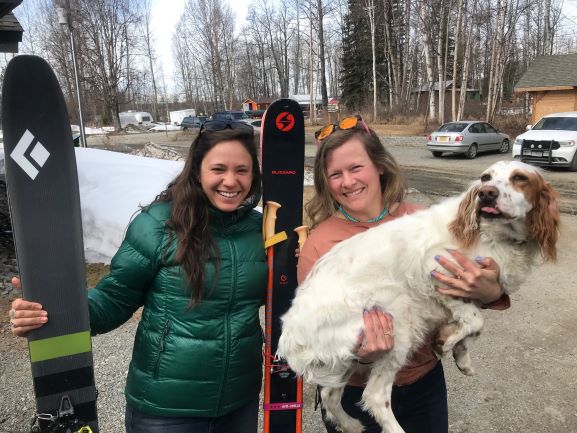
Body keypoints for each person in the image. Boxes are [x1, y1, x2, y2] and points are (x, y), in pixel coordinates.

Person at [8, 121, 267, 433]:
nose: (231, 180)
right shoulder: (158, 225)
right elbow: (114, 298)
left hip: (239, 404)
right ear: (197, 171)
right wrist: (55, 306)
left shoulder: (263, 231)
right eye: (219, 169)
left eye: (242, 170)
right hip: (166, 409)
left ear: (254, 175)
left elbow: (286, 299)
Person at [298, 115, 510, 433]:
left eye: (356, 168)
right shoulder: (320, 245)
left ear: (380, 165)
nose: (348, 181)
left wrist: (492, 292)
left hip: (425, 383)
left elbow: (455, 289)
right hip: (357, 394)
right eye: (335, 174)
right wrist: (362, 355)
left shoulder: (422, 219)